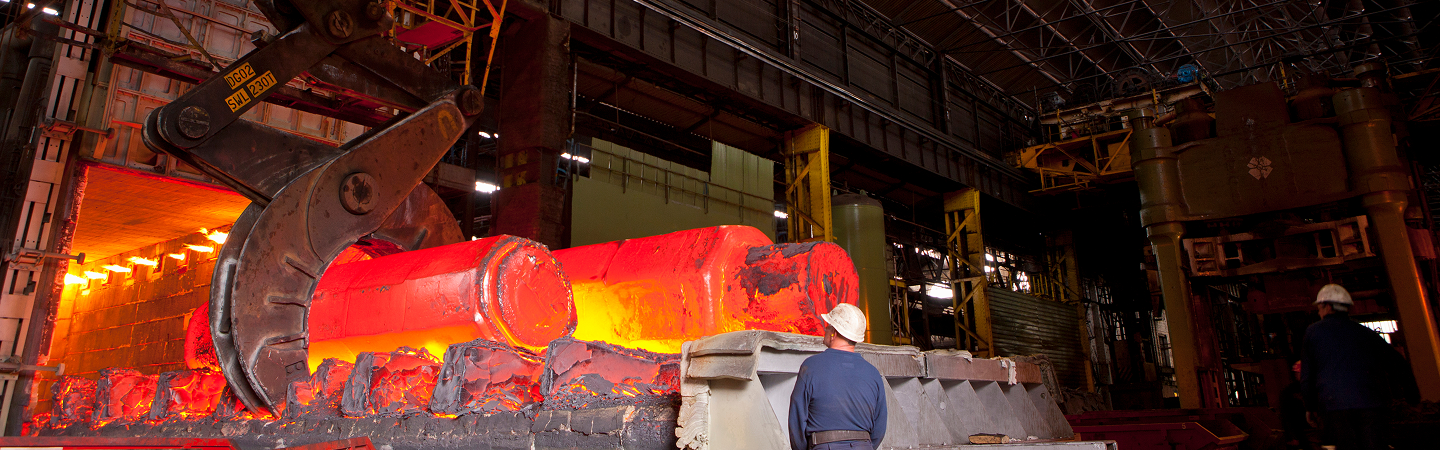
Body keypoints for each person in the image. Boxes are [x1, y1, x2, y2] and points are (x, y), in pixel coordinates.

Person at [1301, 284, 1416, 450]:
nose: (1319, 313)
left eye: (1319, 308)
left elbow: (1307, 377)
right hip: (1371, 405)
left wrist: (1310, 407)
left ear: (1327, 307)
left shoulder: (1312, 333)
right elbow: (1397, 363)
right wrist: (1412, 396)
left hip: (1335, 406)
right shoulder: (1365, 333)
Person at [788, 303, 888, 450]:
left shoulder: (811, 367)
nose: (825, 330)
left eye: (828, 326)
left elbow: (796, 422)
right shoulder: (873, 373)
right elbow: (879, 428)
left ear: (834, 332)